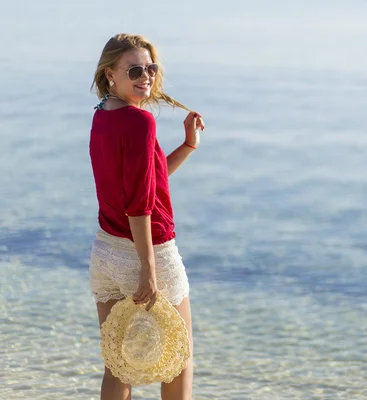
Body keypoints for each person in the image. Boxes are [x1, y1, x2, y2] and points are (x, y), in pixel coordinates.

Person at [88, 33, 204, 400]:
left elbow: (145, 183)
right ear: (110, 74)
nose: (146, 76)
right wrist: (148, 270)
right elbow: (139, 204)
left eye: (150, 68)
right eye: (135, 69)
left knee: (119, 366)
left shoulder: (102, 115)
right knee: (178, 361)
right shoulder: (139, 122)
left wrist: (187, 146)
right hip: (148, 253)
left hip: (106, 253)